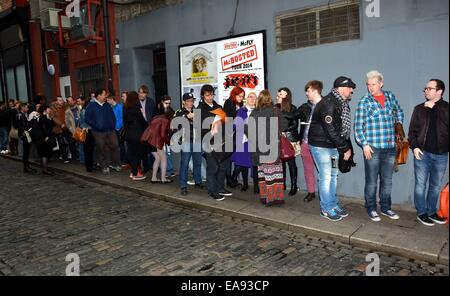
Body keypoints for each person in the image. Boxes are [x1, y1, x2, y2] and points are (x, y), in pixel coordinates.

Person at [354, 70, 404, 222]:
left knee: (387, 181)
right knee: (371, 181)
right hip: (373, 148)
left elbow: (399, 111)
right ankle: (371, 208)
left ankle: (386, 208)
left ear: (381, 83)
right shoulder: (364, 101)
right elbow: (358, 126)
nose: (371, 87)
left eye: (374, 84)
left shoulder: (390, 97)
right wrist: (364, 145)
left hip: (389, 148)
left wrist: (398, 125)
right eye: (368, 84)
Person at [307, 80, 352, 221]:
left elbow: (339, 130)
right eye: (349, 88)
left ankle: (332, 204)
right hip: (321, 147)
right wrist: (345, 148)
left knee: (333, 175)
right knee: (326, 177)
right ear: (341, 88)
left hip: (331, 147)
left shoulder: (339, 103)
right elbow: (331, 129)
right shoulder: (329, 103)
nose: (352, 91)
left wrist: (342, 146)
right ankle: (326, 209)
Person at [408, 79, 448, 226]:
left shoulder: (446, 108)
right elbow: (412, 132)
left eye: (430, 88)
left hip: (441, 154)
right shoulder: (419, 108)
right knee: (420, 184)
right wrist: (415, 147)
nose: (426, 91)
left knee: (435, 186)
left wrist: (435, 109)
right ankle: (422, 213)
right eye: (425, 88)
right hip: (422, 153)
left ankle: (431, 212)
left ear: (439, 91)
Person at [250, 90, 284, 206]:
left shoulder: (255, 112)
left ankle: (265, 197)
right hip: (274, 148)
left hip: (260, 149)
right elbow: (284, 125)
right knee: (275, 174)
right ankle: (277, 198)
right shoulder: (275, 110)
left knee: (264, 174)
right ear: (270, 99)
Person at [199, 84, 231, 200]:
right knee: (212, 167)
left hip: (221, 140)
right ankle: (212, 191)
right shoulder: (200, 109)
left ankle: (220, 188)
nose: (210, 97)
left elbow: (225, 121)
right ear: (202, 96)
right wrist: (210, 132)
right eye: (207, 95)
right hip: (209, 140)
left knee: (223, 166)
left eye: (212, 94)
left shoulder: (218, 106)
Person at [85, 88, 121, 174]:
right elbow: (87, 119)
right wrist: (97, 125)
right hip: (98, 132)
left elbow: (112, 116)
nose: (106, 96)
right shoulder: (91, 106)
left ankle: (116, 164)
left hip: (110, 130)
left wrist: (113, 125)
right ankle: (104, 166)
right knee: (102, 148)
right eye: (104, 94)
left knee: (115, 146)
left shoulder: (107, 105)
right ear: (99, 96)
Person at [175, 93, 203, 195]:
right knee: (185, 164)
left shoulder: (197, 111)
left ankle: (198, 181)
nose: (191, 103)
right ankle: (183, 186)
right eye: (188, 101)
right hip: (186, 141)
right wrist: (186, 117)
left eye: (192, 101)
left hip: (197, 140)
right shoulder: (179, 112)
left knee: (197, 162)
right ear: (184, 102)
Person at [231, 92, 258, 193]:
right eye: (250, 97)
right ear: (246, 99)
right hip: (243, 140)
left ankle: (256, 186)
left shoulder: (258, 111)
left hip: (255, 141)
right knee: (243, 164)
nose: (252, 99)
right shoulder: (241, 111)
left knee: (255, 164)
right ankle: (245, 184)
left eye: (254, 98)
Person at [276, 87, 300, 196]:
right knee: (281, 163)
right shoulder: (275, 107)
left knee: (291, 163)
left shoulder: (292, 108)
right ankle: (283, 184)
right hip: (278, 138)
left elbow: (295, 125)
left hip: (290, 139)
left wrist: (283, 130)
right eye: (278, 95)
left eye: (280, 95)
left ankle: (294, 186)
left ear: (286, 96)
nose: (277, 96)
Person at [145, 95, 174, 183]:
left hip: (151, 138)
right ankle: (163, 179)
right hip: (155, 138)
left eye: (169, 103)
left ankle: (154, 178)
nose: (168, 105)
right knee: (163, 158)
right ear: (162, 102)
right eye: (166, 103)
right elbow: (161, 129)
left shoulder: (166, 111)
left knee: (158, 158)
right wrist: (168, 140)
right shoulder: (158, 111)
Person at [223, 86, 245, 188]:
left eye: (242, 96)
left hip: (238, 134)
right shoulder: (228, 102)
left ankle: (233, 178)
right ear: (234, 95)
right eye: (240, 96)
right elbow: (228, 118)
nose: (241, 98)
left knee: (238, 157)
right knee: (228, 158)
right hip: (228, 134)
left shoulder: (240, 104)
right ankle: (229, 179)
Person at [123, 91, 148, 181]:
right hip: (137, 134)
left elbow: (125, 121)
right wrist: (147, 125)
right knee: (137, 154)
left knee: (132, 152)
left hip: (129, 134)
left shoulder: (125, 107)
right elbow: (142, 120)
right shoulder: (136, 107)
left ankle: (133, 172)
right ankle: (135, 173)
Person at [30, 105, 55, 175]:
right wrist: (46, 136)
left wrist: (50, 119)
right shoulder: (43, 118)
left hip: (42, 138)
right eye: (48, 108)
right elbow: (44, 128)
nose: (50, 109)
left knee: (44, 154)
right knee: (44, 154)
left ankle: (45, 168)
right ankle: (45, 170)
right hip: (44, 139)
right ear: (45, 110)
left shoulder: (44, 117)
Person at [138, 85, 156, 174]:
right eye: (140, 92)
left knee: (152, 146)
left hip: (150, 126)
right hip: (140, 127)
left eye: (143, 92)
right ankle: (146, 166)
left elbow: (154, 114)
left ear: (146, 93)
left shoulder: (151, 102)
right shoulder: (135, 102)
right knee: (143, 148)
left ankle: (154, 165)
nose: (141, 94)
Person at [106, 94, 126, 165]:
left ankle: (123, 160)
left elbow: (122, 118)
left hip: (119, 129)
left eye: (108, 100)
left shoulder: (120, 107)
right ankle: (116, 161)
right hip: (112, 130)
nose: (107, 101)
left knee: (121, 145)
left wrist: (119, 127)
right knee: (114, 146)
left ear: (112, 99)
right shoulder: (110, 108)